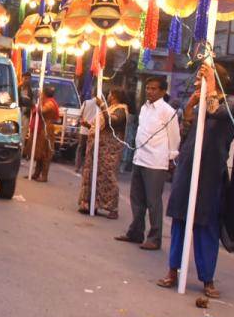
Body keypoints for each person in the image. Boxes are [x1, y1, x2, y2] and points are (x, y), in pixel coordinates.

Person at [157, 63, 234, 299]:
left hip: (211, 173)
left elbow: (217, 112)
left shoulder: (233, 104)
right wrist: (189, 109)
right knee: (180, 220)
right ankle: (173, 270)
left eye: (202, 77)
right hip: (188, 167)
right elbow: (190, 133)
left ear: (217, 80)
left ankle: (207, 278)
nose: (197, 81)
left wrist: (209, 89)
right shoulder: (201, 102)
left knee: (207, 224)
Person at [118, 75, 179, 249]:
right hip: (140, 158)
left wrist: (171, 158)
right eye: (148, 88)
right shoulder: (144, 108)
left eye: (153, 89)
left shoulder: (168, 111)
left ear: (162, 91)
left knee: (153, 201)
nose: (149, 91)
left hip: (156, 161)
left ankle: (154, 238)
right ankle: (136, 232)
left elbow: (174, 137)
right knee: (136, 198)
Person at [78, 86, 129, 219]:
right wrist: (88, 126)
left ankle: (113, 208)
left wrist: (102, 106)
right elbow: (102, 128)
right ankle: (91, 203)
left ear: (115, 96)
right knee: (93, 175)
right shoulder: (110, 108)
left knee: (107, 176)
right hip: (98, 147)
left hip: (109, 150)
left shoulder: (121, 110)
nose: (108, 96)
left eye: (110, 93)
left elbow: (112, 122)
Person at [28, 84, 60, 182]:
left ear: (45, 94)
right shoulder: (47, 101)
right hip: (42, 128)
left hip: (47, 129)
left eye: (42, 93)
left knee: (45, 153)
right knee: (39, 151)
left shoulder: (50, 103)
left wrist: (39, 102)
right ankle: (36, 173)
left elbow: (42, 111)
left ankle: (44, 176)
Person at [75, 95, 99, 170]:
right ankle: (86, 167)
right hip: (94, 131)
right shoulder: (101, 106)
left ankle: (77, 166)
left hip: (83, 130)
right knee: (90, 150)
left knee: (80, 148)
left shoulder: (86, 103)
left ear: (93, 94)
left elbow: (79, 115)